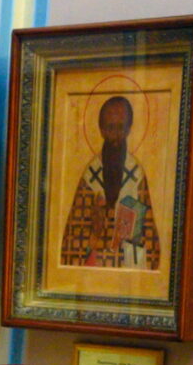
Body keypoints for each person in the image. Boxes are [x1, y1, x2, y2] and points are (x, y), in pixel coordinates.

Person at [59, 96, 161, 270]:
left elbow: (149, 236)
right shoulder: (91, 175)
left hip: (127, 269)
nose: (116, 136)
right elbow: (72, 241)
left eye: (121, 127)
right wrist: (94, 231)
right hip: (93, 268)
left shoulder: (136, 174)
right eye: (111, 128)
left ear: (128, 129)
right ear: (102, 130)